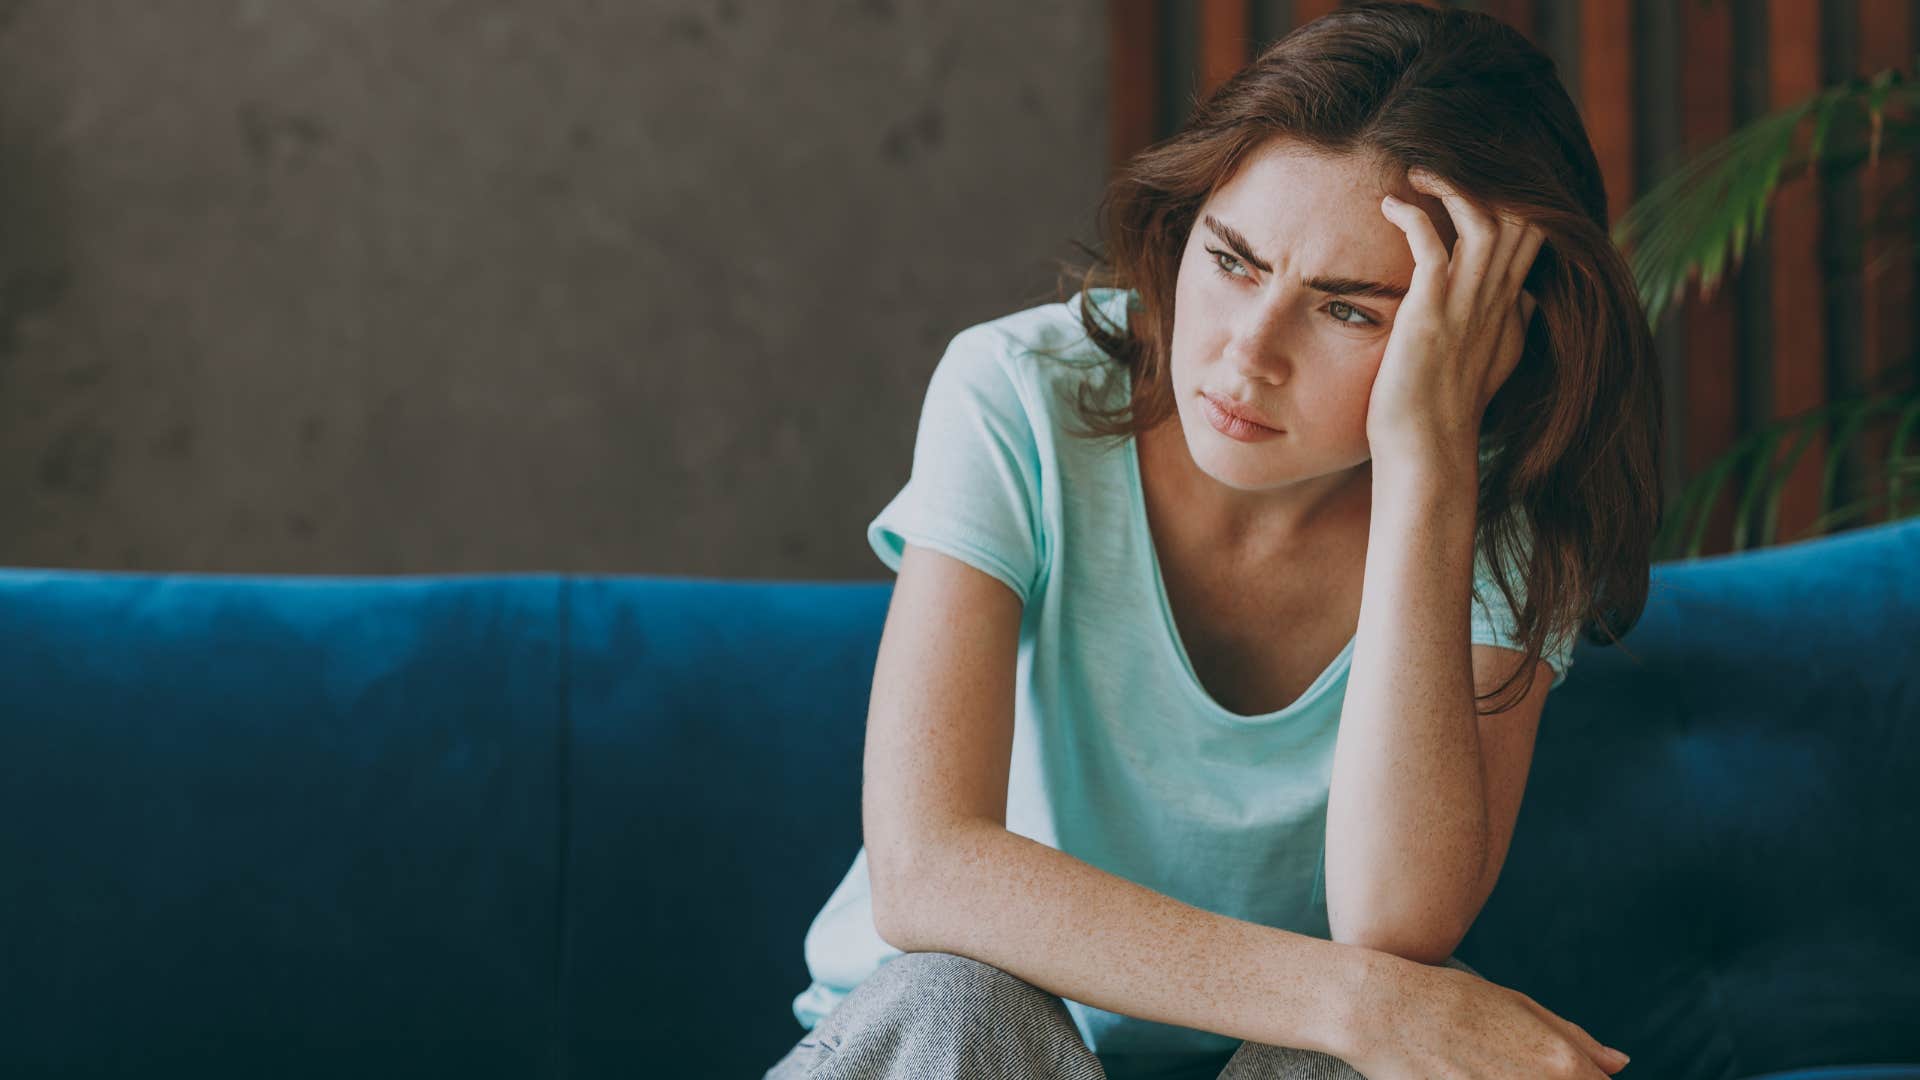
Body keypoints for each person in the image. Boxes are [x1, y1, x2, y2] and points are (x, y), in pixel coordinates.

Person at [771, 2, 1661, 1077]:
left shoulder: (1503, 516)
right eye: (1233, 259)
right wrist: (1355, 1000)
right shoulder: (1020, 394)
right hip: (949, 1049)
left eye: (1350, 310)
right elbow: (925, 869)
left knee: (1331, 1064)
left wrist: (1428, 470)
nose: (1247, 355)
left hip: (1261, 1059)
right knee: (967, 997)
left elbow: (1394, 922)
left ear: (1484, 336)